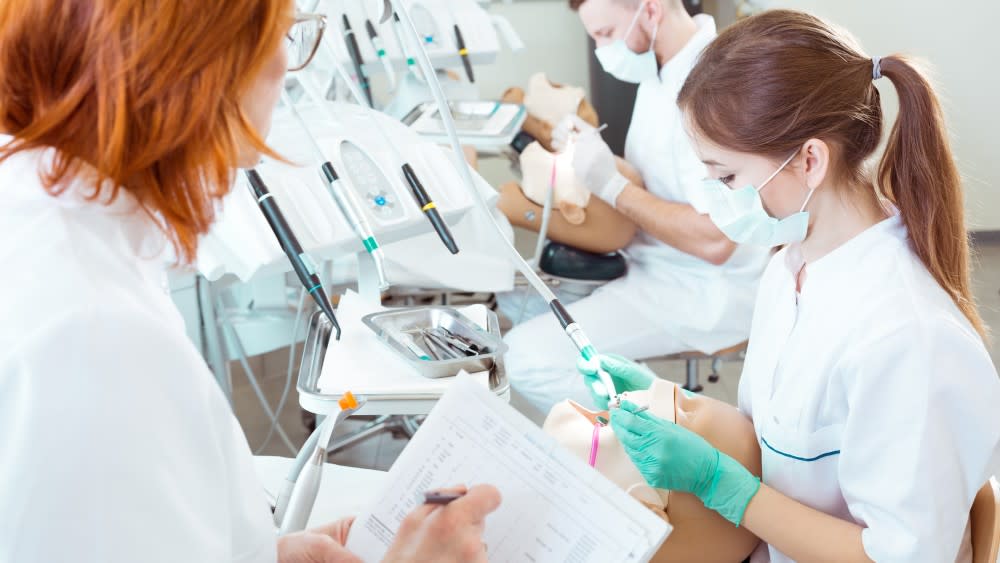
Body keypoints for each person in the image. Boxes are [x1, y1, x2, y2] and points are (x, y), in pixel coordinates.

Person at [0, 1, 498, 561]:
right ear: (200, 55)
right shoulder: (92, 336)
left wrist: (266, 555)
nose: (288, 62)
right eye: (280, 34)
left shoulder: (47, 210)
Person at [594, 10, 1000, 561]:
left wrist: (724, 488)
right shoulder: (791, 265)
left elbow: (901, 555)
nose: (716, 197)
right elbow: (784, 438)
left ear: (809, 160)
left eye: (726, 177)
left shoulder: (907, 337)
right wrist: (670, 404)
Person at [504, 0, 770, 421]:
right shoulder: (660, 71)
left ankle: (681, 434)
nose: (600, 50)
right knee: (512, 301)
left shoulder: (715, 85)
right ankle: (646, 417)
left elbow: (717, 240)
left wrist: (611, 185)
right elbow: (659, 180)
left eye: (607, 34)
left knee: (526, 356)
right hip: (654, 263)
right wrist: (592, 154)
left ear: (650, 10)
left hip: (702, 288)